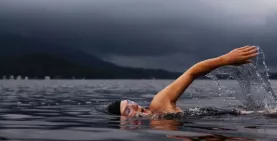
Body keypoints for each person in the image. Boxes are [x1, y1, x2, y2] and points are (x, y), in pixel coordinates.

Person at [106, 46, 259, 117]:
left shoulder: (158, 105)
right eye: (127, 109)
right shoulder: (155, 123)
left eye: (129, 101)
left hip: (242, 117)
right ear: (124, 122)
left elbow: (192, 72)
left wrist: (225, 60)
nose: (133, 105)